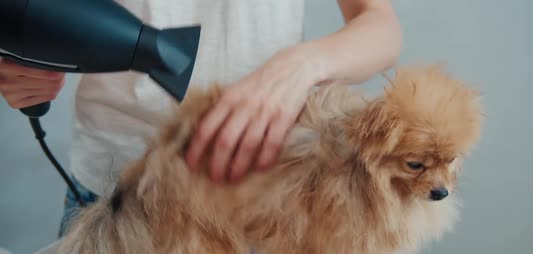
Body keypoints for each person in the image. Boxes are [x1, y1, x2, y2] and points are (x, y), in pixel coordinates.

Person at [0, 0, 402, 237]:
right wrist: (17, 64)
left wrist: (305, 63)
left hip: (262, 200)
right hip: (115, 199)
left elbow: (380, 25)